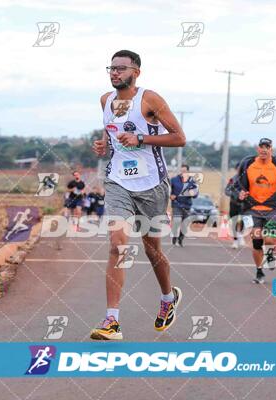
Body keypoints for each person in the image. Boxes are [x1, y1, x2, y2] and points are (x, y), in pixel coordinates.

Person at [90, 49, 186, 340]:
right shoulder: (105, 100)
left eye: (121, 68)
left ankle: (168, 298)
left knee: (152, 249)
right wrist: (103, 144)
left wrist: (141, 138)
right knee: (117, 243)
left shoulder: (150, 99)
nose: (115, 72)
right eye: (111, 68)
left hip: (152, 184)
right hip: (118, 180)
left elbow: (179, 138)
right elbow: (111, 130)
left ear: (136, 72)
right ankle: (112, 321)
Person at [233, 138, 276, 284]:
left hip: (272, 209)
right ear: (257, 149)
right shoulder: (248, 164)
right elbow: (237, 185)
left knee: (270, 239)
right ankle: (259, 271)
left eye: (267, 147)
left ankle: (271, 253)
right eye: (262, 147)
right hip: (252, 209)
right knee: (257, 240)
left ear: (271, 149)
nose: (264, 149)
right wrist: (240, 193)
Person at [170, 164, 199, 247]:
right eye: (182, 171)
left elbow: (196, 194)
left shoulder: (192, 182)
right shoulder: (174, 180)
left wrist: (193, 193)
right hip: (176, 204)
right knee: (176, 221)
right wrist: (171, 195)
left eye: (185, 171)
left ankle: (180, 239)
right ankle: (174, 237)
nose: (183, 172)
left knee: (184, 224)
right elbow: (168, 190)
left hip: (187, 205)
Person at [225, 168, 246, 249]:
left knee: (243, 220)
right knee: (234, 222)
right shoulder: (232, 180)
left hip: (244, 204)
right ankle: (235, 241)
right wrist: (233, 194)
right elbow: (226, 190)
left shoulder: (248, 179)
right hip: (234, 203)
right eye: (239, 169)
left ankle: (241, 235)